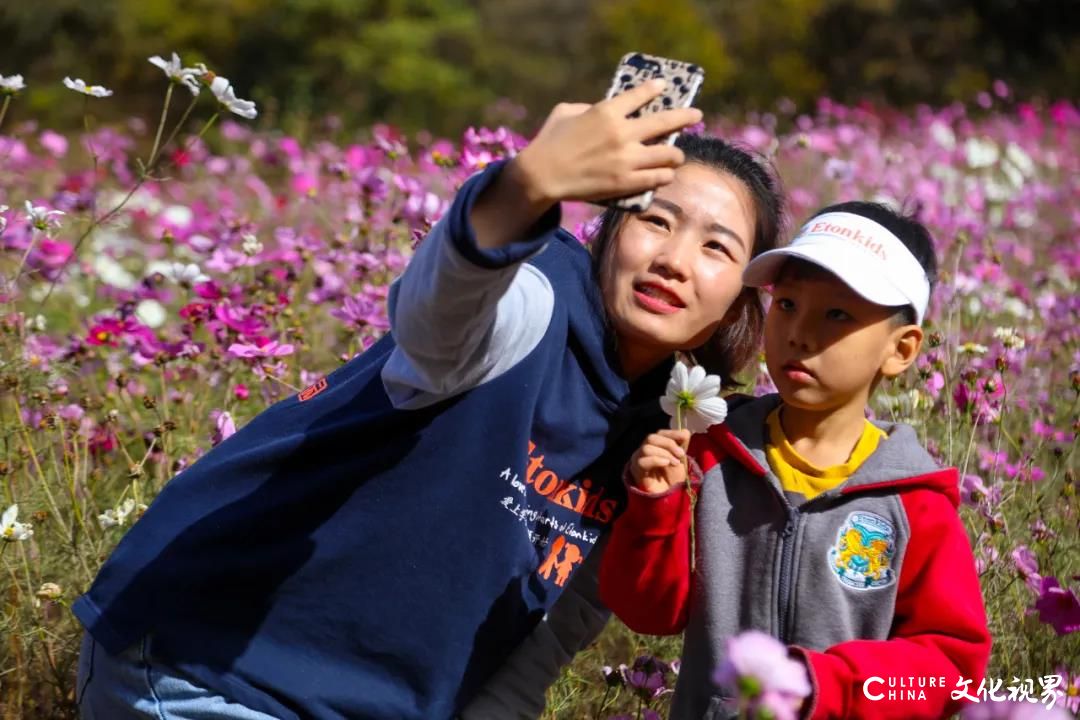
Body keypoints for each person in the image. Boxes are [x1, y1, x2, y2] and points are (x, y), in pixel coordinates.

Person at [73, 80, 786, 720]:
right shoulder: (532, 296)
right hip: (212, 667)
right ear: (605, 229)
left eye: (717, 248)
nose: (675, 260)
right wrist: (523, 189)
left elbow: (541, 645)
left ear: (736, 307)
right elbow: (439, 321)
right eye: (656, 221)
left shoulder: (673, 427)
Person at [599, 202, 992, 719]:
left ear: (900, 350)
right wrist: (655, 507)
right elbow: (646, 610)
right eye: (786, 304)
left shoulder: (914, 503)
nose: (799, 334)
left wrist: (825, 686)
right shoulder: (710, 453)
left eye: (836, 315)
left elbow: (949, 672)